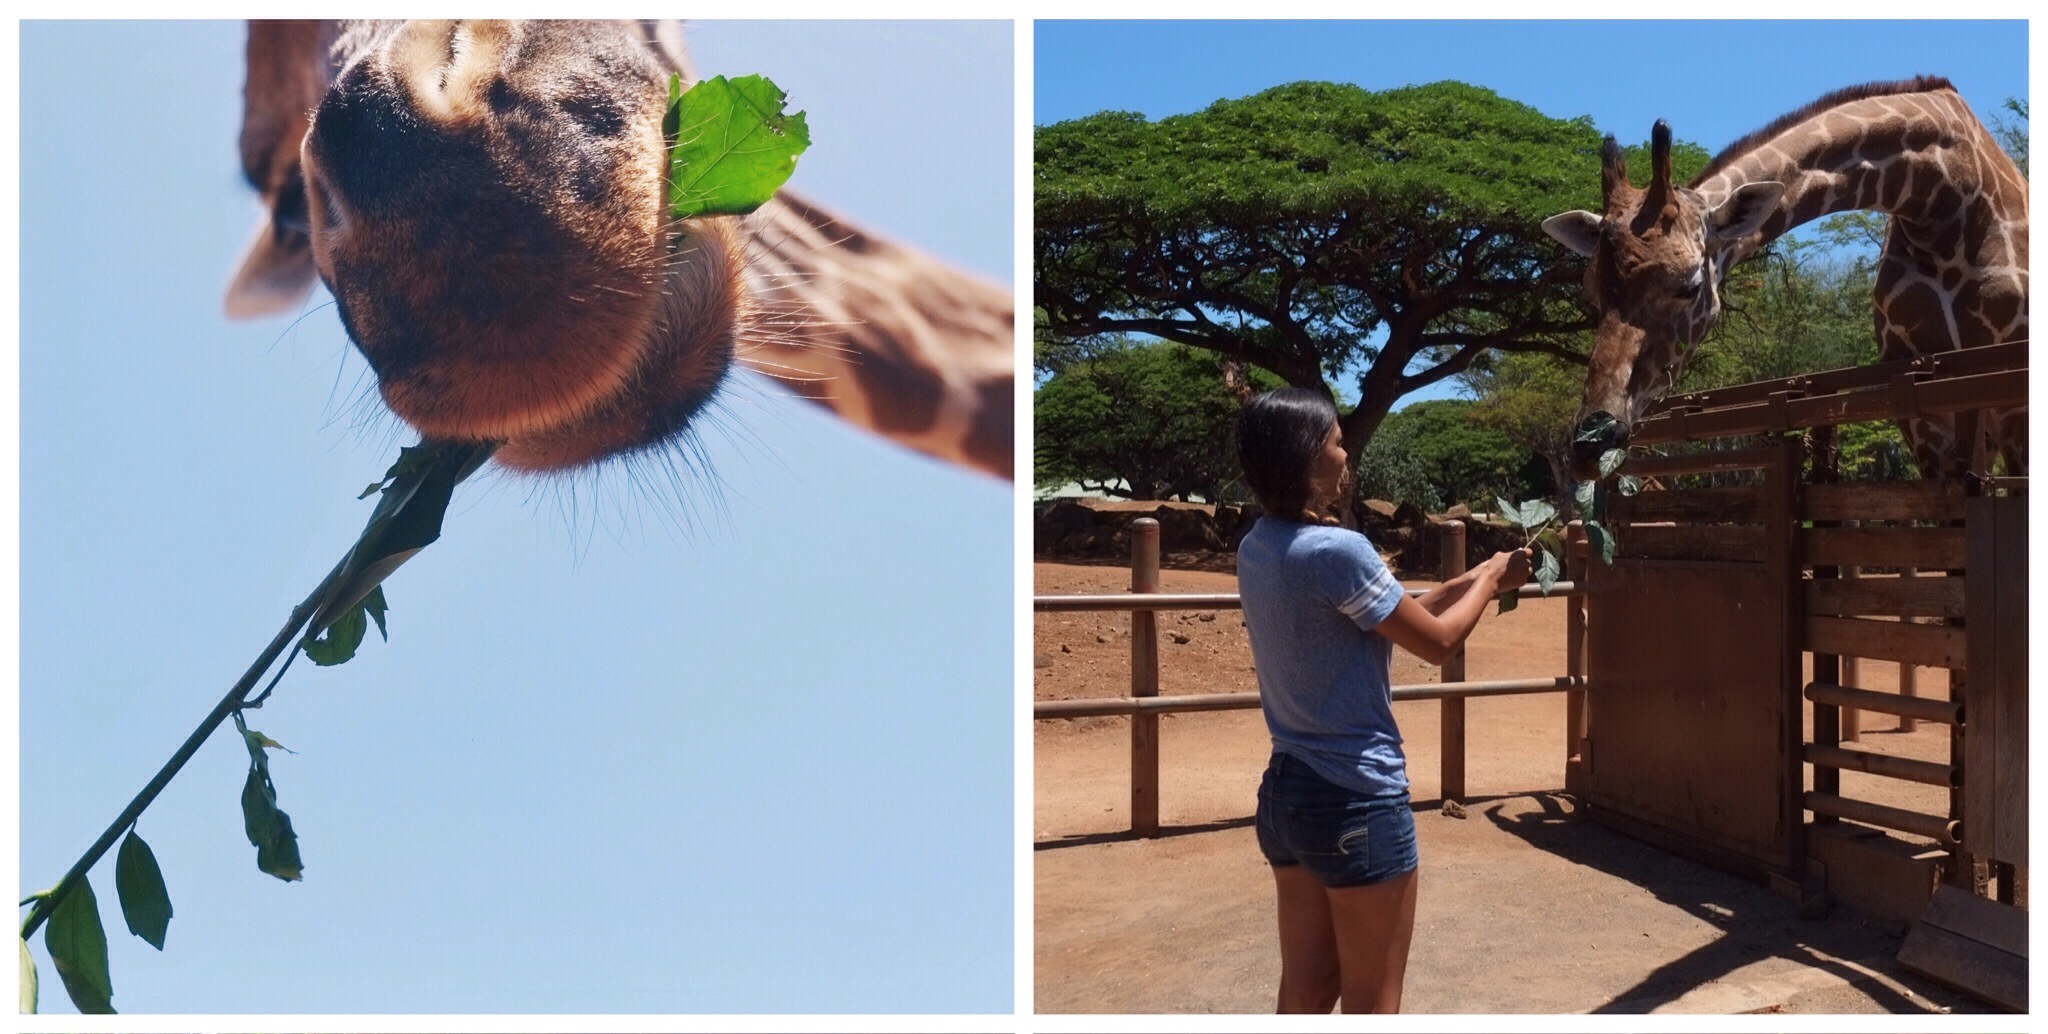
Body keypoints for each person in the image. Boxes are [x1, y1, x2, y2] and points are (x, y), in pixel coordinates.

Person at [1234, 387, 1532, 1014]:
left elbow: (1387, 616)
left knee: (1307, 991)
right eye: (1337, 441)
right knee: (1374, 1005)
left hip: (1289, 795)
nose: (1346, 454)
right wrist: (1498, 583)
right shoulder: (1339, 550)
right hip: (1357, 799)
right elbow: (1441, 643)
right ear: (1308, 459)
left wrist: (1476, 577)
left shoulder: (1259, 544)